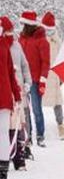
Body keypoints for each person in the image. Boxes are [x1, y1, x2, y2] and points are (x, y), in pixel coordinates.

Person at [3, 16, 31, 171]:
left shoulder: (16, 46)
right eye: (7, 31)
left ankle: (19, 158)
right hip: (4, 93)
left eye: (10, 30)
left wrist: (27, 83)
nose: (10, 33)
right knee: (4, 127)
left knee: (18, 125)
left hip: (18, 90)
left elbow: (25, 66)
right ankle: (5, 157)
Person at [18, 11, 50, 147]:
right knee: (25, 110)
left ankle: (40, 135)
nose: (23, 27)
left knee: (36, 109)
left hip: (36, 80)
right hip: (23, 80)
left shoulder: (42, 41)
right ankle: (28, 136)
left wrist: (43, 79)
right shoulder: (21, 39)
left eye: (25, 24)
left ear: (30, 25)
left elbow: (46, 62)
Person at [0, 18, 21, 179]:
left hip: (3, 95)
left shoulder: (4, 46)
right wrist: (16, 93)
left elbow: (10, 72)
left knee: (2, 134)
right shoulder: (4, 46)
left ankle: (2, 174)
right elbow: (10, 72)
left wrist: (17, 93)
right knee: (2, 134)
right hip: (4, 95)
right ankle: (2, 174)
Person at [40, 12, 64, 140]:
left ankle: (60, 125)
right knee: (36, 101)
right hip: (43, 74)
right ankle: (38, 129)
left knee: (57, 102)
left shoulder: (57, 40)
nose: (48, 31)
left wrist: (61, 76)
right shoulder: (39, 39)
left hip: (54, 75)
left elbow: (61, 58)